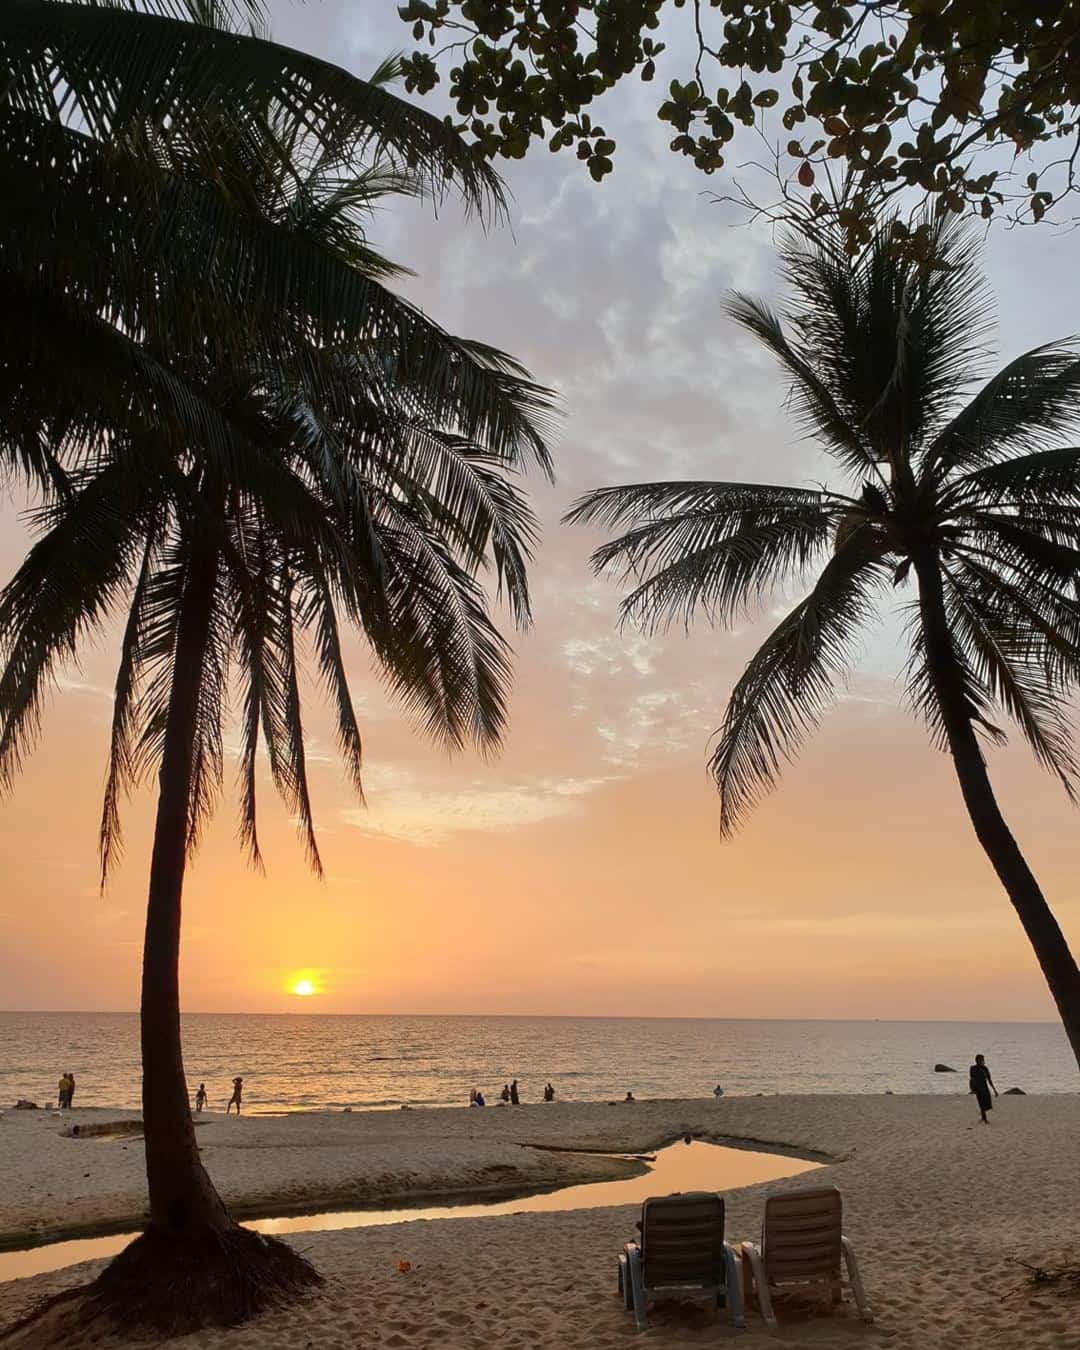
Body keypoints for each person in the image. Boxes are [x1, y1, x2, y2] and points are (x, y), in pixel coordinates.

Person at [969, 1054, 998, 1124]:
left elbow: (989, 1079)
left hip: (985, 1087)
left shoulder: (985, 1068)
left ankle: (983, 1117)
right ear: (978, 1060)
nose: (983, 1061)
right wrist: (973, 1089)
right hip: (978, 1088)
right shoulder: (973, 1068)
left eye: (983, 1060)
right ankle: (984, 1119)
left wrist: (994, 1090)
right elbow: (972, 1079)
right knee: (981, 1103)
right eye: (982, 1060)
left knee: (987, 1103)